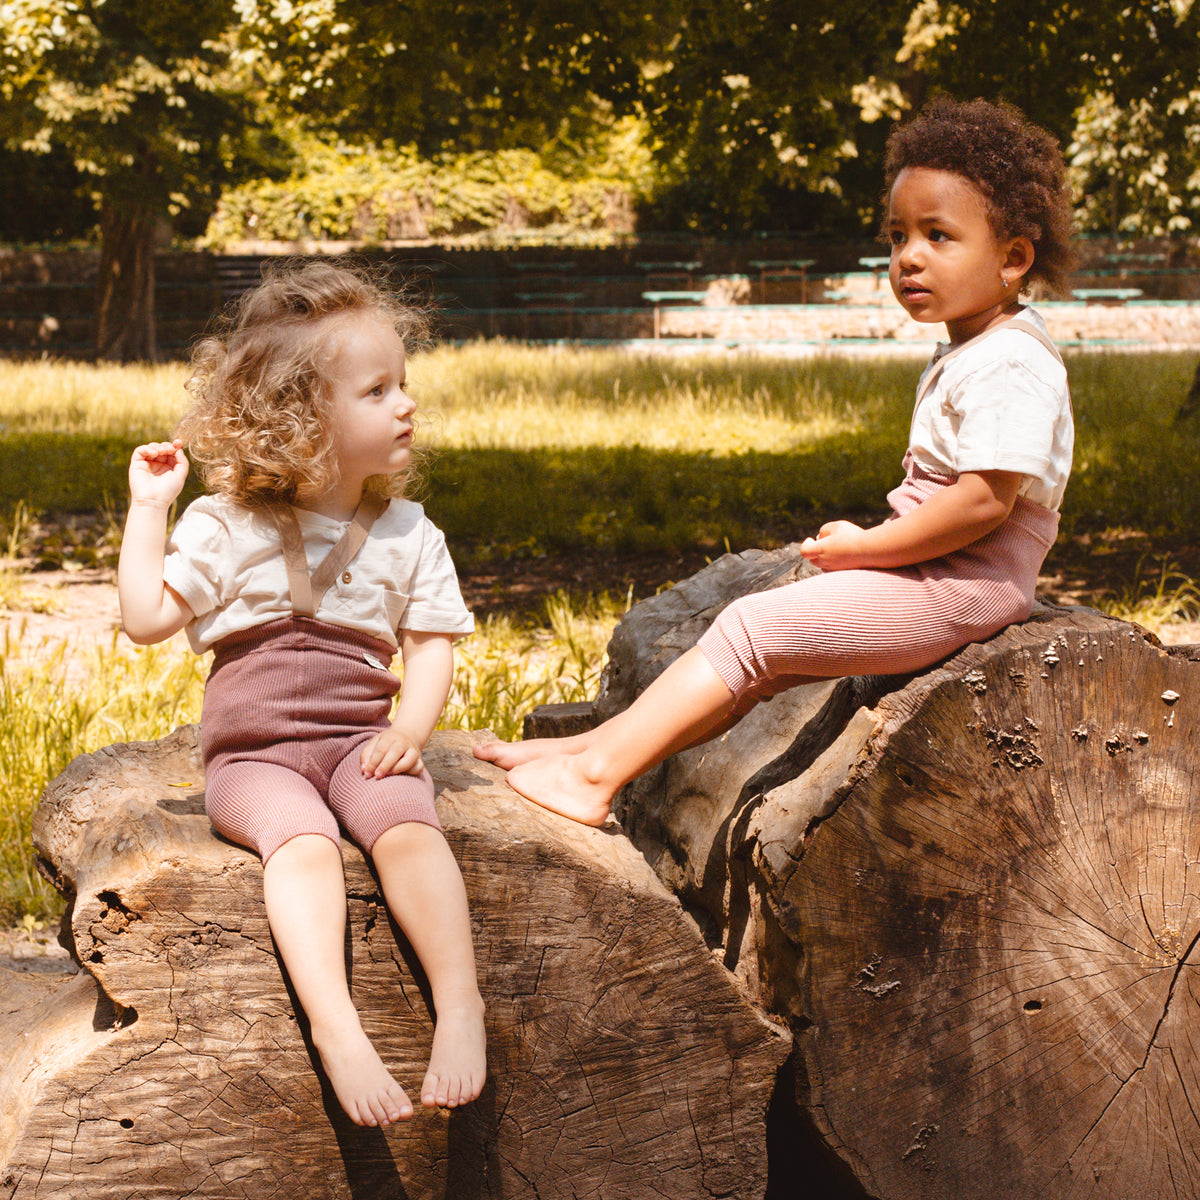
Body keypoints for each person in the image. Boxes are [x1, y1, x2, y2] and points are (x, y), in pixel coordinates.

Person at [475, 95, 1076, 827]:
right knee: (758, 655)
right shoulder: (978, 345)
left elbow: (982, 503)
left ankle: (593, 778)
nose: (908, 257)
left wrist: (868, 548)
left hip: (966, 584)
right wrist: (879, 542)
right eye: (897, 237)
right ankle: (595, 749)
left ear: (1014, 257)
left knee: (754, 632)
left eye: (939, 236)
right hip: (945, 569)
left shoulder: (1011, 361)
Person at [118, 261, 486, 1128]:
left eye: (404, 384)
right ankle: (337, 1029)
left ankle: (461, 1004)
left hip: (361, 740)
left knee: (407, 827)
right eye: (377, 390)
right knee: (305, 842)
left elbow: (432, 644)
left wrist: (410, 729)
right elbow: (143, 619)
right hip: (255, 758)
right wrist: (150, 507)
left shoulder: (408, 531)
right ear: (301, 415)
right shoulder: (224, 524)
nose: (406, 404)